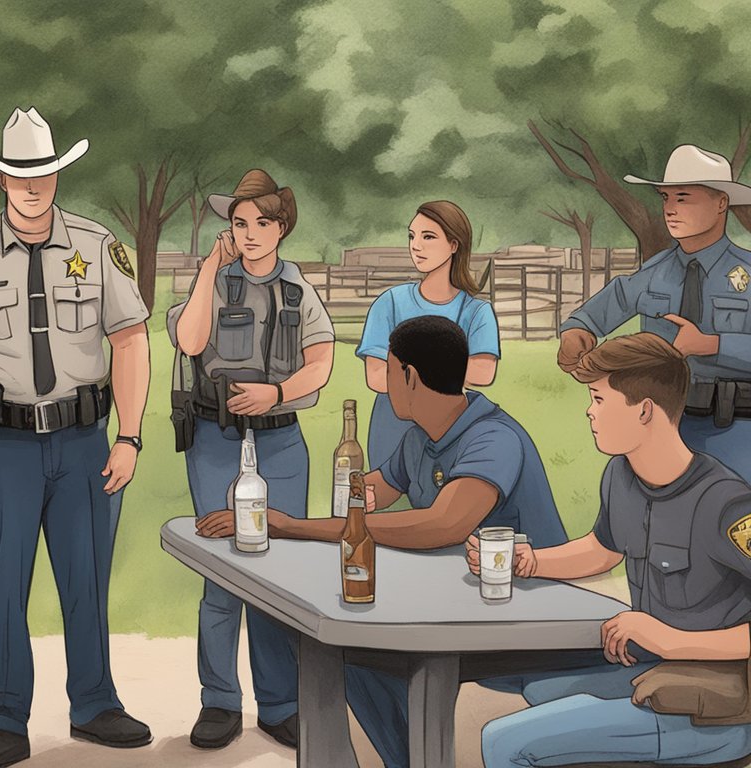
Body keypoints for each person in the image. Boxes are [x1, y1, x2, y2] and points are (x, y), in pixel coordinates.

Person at [196, 314, 567, 767]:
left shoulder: (493, 438)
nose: (384, 382)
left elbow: (441, 525)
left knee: (353, 646)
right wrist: (335, 495)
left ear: (409, 376)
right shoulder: (420, 440)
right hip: (462, 601)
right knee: (334, 644)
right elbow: (369, 493)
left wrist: (290, 525)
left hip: (526, 615)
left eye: (389, 370)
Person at [0, 107, 152, 768]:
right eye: (19, 173)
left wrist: (128, 437)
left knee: (87, 577)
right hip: (4, 448)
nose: (32, 184)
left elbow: (130, 340)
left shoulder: (98, 249)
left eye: (42, 172)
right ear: (0, 180)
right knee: (5, 583)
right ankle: (5, 719)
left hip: (83, 441)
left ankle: (96, 704)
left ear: (56, 175)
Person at [476, 333, 751, 766]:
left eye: (599, 399)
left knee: (502, 741)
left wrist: (671, 639)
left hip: (708, 708)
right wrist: (528, 562)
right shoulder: (621, 475)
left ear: (644, 410)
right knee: (535, 687)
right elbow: (603, 549)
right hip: (652, 671)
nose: (589, 411)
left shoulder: (725, 503)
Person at [166, 169, 335, 750]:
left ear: (282, 227)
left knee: (278, 574)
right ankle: (219, 701)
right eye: (240, 224)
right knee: (221, 574)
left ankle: (280, 702)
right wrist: (211, 267)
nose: (250, 234)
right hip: (217, 439)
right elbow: (189, 341)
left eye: (262, 223)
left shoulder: (298, 290)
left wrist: (278, 394)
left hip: (282, 440)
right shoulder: (214, 281)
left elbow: (321, 363)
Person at [558, 144, 751, 483]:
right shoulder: (656, 271)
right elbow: (609, 303)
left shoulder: (747, 274)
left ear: (722, 202)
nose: (670, 210)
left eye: (683, 198)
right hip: (661, 428)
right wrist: (577, 331)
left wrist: (712, 345)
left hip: (735, 430)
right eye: (665, 199)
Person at [357, 200, 499, 471]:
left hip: (450, 429)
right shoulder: (389, 302)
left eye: (428, 237)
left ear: (454, 245)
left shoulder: (477, 312)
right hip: (392, 428)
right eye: (412, 236)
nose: (416, 245)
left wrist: (407, 373)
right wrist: (447, 371)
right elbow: (376, 376)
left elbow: (484, 373)